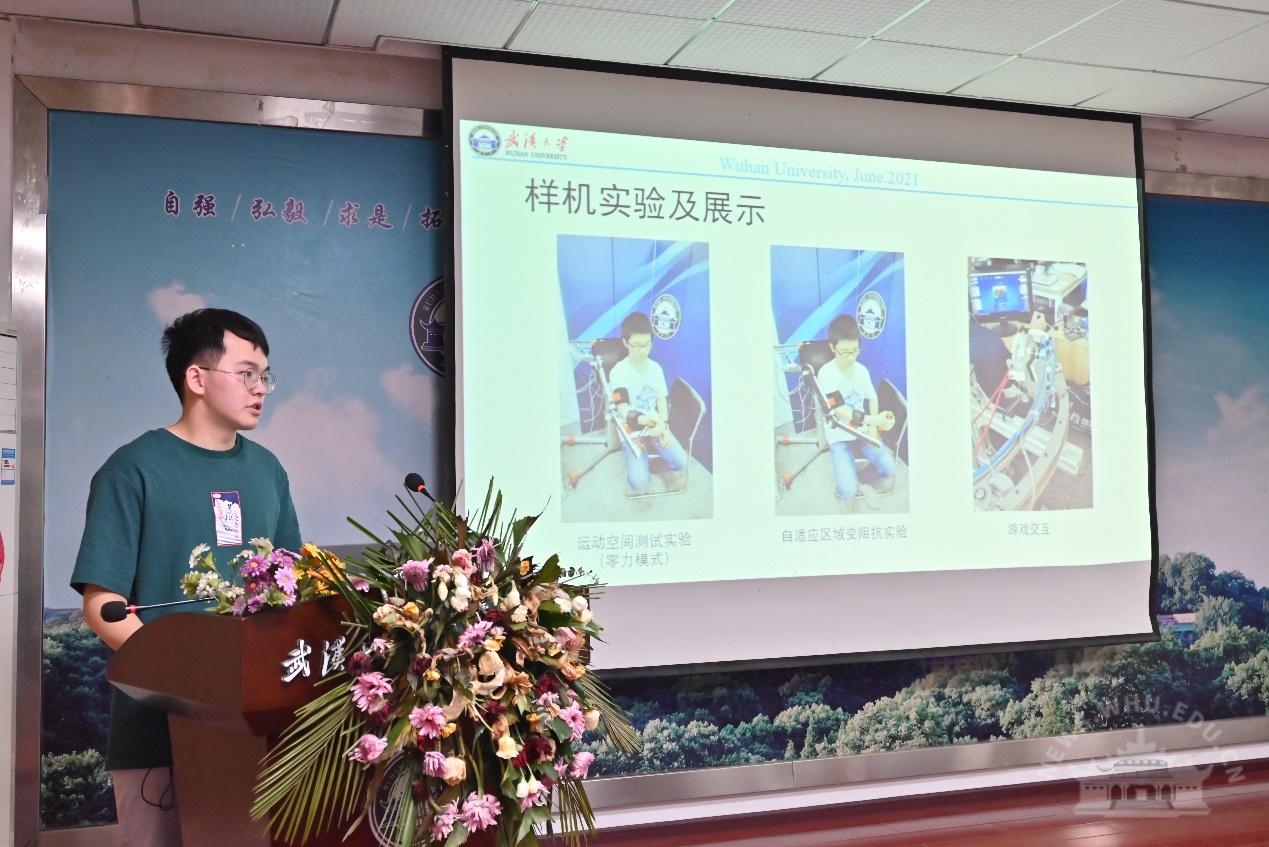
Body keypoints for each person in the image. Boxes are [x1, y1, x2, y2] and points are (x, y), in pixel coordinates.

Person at [70, 309, 301, 846]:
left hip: (258, 730)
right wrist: (188, 686)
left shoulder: (268, 471)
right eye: (246, 373)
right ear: (197, 378)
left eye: (265, 376)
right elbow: (102, 604)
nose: (260, 388)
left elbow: (294, 586)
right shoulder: (132, 469)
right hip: (159, 731)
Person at [816, 314, 895, 508]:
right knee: (848, 493)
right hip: (838, 433)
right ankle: (846, 485)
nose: (851, 357)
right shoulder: (826, 374)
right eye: (844, 352)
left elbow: (872, 397)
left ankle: (861, 477)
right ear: (832, 348)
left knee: (889, 467)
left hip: (862, 430)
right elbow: (841, 411)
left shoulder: (862, 371)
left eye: (855, 351)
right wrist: (874, 420)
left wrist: (874, 429)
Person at [608, 312, 688, 495]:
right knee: (640, 484)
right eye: (637, 346)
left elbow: (661, 399)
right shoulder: (618, 372)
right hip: (631, 430)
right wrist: (649, 423)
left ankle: (649, 458)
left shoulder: (655, 368)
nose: (643, 351)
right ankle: (640, 464)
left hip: (656, 427)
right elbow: (624, 410)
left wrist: (664, 426)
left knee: (681, 462)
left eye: (647, 344)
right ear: (625, 343)